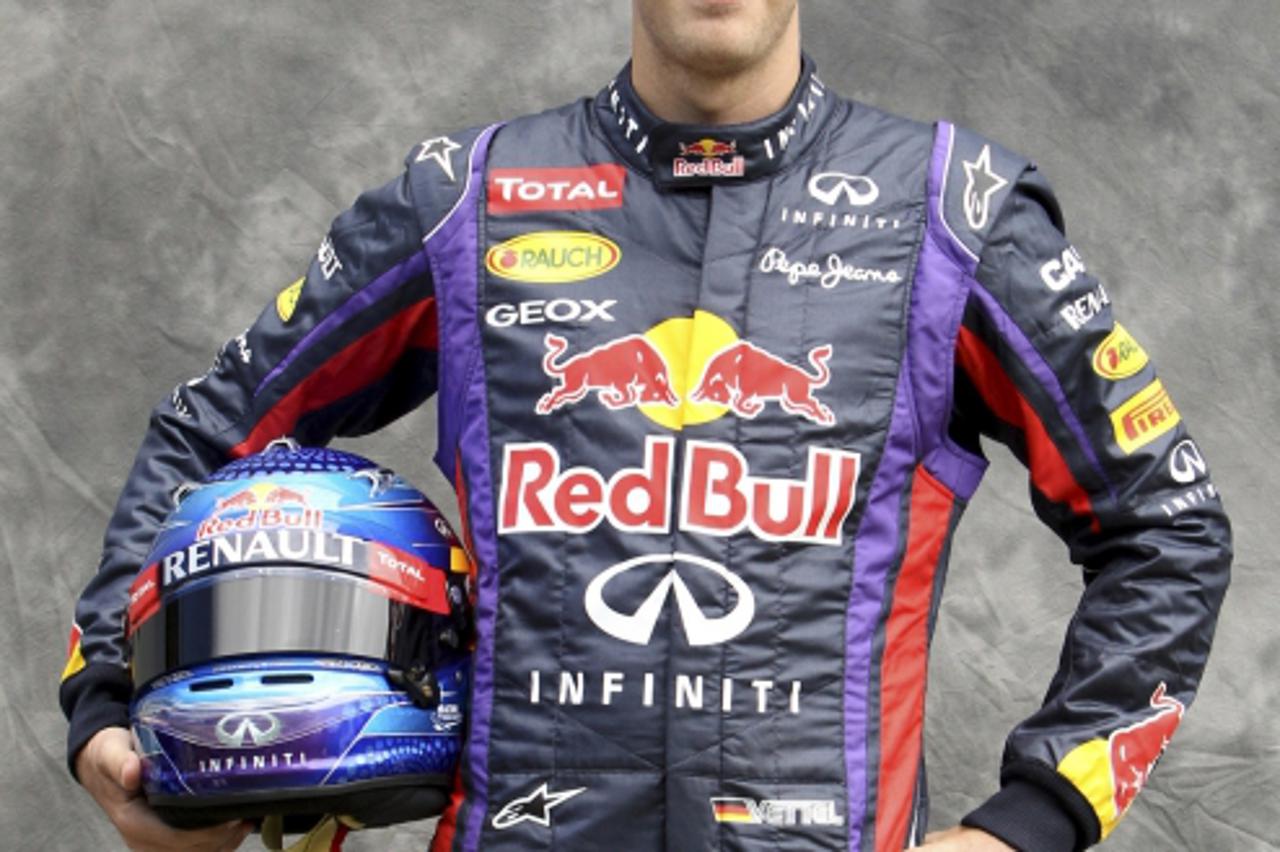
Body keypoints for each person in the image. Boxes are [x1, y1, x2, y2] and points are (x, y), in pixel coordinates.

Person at [60, 1, 1231, 850]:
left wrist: (1031, 820)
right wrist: (116, 706)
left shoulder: (952, 214)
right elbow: (205, 437)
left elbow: (1164, 525)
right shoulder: (466, 203)